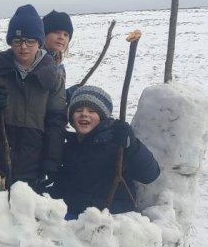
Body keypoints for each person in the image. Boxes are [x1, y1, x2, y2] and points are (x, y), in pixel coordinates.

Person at [0, 4, 68, 192]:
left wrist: (51, 162)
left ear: (39, 42)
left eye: (30, 41)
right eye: (17, 41)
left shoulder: (52, 76)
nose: (23, 47)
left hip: (32, 164)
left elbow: (56, 121)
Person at [52, 85, 160, 219]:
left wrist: (132, 146)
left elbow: (150, 174)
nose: (84, 114)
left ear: (102, 117)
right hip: (76, 217)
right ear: (71, 119)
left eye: (92, 111)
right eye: (78, 110)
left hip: (110, 218)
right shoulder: (69, 148)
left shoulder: (116, 145)